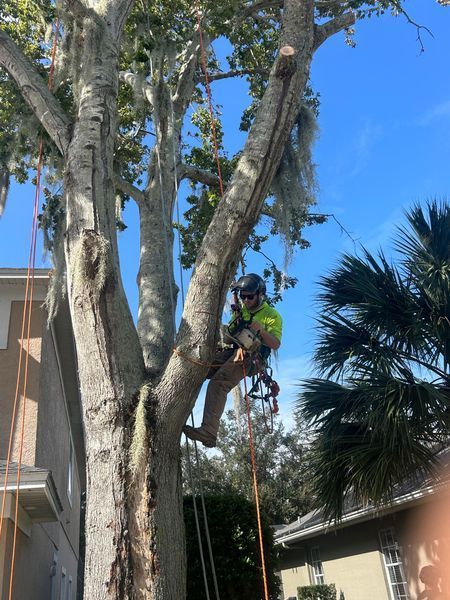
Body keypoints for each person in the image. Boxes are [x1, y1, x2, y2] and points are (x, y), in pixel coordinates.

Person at [183, 273, 282, 448]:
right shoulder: (242, 310)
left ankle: (209, 431)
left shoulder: (271, 315)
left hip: (252, 358)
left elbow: (275, 344)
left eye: (250, 296)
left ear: (260, 294)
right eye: (243, 296)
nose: (246, 300)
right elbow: (231, 334)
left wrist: (261, 331)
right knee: (202, 364)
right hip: (234, 350)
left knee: (219, 383)